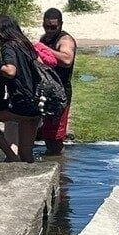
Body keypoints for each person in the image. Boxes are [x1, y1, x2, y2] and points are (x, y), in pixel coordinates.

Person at [0, 15, 42, 163]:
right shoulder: (26, 45)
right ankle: (24, 173)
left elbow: (11, 71)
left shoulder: (8, 46)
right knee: (26, 155)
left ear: (0, 33)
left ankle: (11, 156)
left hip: (22, 105)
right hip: (37, 103)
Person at [38, 8, 77, 155]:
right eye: (47, 27)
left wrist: (44, 49)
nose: (50, 30)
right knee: (46, 134)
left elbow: (67, 59)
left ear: (60, 24)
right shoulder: (44, 39)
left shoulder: (65, 40)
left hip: (60, 95)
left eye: (53, 27)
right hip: (46, 92)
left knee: (55, 138)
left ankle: (60, 170)